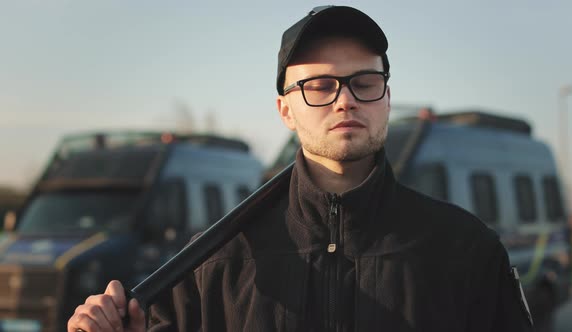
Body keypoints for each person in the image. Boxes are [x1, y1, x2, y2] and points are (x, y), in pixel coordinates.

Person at [68, 5, 534, 332]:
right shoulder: (213, 261)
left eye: (364, 82)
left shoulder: (464, 249)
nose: (345, 99)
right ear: (285, 110)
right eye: (319, 86)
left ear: (387, 99)